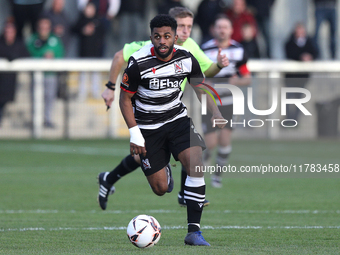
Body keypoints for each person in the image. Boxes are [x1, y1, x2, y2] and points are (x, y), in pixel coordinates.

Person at [98, 7, 229, 210]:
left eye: (189, 27)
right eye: (182, 26)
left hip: (175, 111)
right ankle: (109, 178)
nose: (186, 32)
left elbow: (205, 72)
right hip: (146, 116)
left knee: (191, 153)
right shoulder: (144, 49)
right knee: (145, 161)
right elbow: (118, 58)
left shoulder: (190, 49)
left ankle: (186, 196)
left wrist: (219, 65)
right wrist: (110, 87)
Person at [118, 13, 225, 246]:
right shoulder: (137, 62)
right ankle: (164, 168)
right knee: (160, 189)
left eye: (167, 36)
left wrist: (215, 112)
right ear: (151, 38)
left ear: (175, 38)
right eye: (157, 37)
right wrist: (135, 133)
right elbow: (124, 99)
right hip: (147, 128)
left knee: (195, 163)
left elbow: (201, 87)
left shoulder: (186, 58)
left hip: (177, 121)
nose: (162, 41)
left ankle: (194, 232)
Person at [201, 14, 251, 188]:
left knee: (224, 139)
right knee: (210, 143)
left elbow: (247, 77)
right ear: (214, 29)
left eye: (225, 27)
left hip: (231, 99)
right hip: (210, 99)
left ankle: (217, 176)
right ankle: (205, 159)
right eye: (219, 27)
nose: (222, 30)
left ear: (231, 30)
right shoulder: (205, 49)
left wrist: (237, 81)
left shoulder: (239, 50)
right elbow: (199, 76)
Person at [26, 15, 64, 128]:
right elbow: (28, 53)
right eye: (41, 26)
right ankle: (35, 120)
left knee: (50, 97)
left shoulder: (55, 39)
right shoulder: (33, 39)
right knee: (36, 97)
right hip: (36, 74)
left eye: (46, 26)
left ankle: (48, 120)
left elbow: (61, 53)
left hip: (50, 74)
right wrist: (42, 56)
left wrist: (53, 56)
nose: (44, 29)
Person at [284, 23, 317, 124]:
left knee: (300, 99)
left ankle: (295, 120)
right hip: (291, 77)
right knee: (289, 98)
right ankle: (288, 119)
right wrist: (301, 57)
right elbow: (289, 53)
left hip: (303, 76)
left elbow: (315, 52)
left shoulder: (310, 42)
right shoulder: (289, 42)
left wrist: (309, 57)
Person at [73, 2, 106, 100]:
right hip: (83, 53)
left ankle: (95, 92)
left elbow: (104, 32)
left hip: (96, 54)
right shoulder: (81, 20)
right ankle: (82, 93)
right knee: (83, 74)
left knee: (95, 74)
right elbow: (73, 29)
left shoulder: (98, 21)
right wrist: (83, 30)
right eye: (87, 8)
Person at [0, 19, 30, 126]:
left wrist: (15, 57)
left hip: (10, 82)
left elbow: (27, 56)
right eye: (7, 31)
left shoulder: (18, 44)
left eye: (11, 31)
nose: (9, 33)